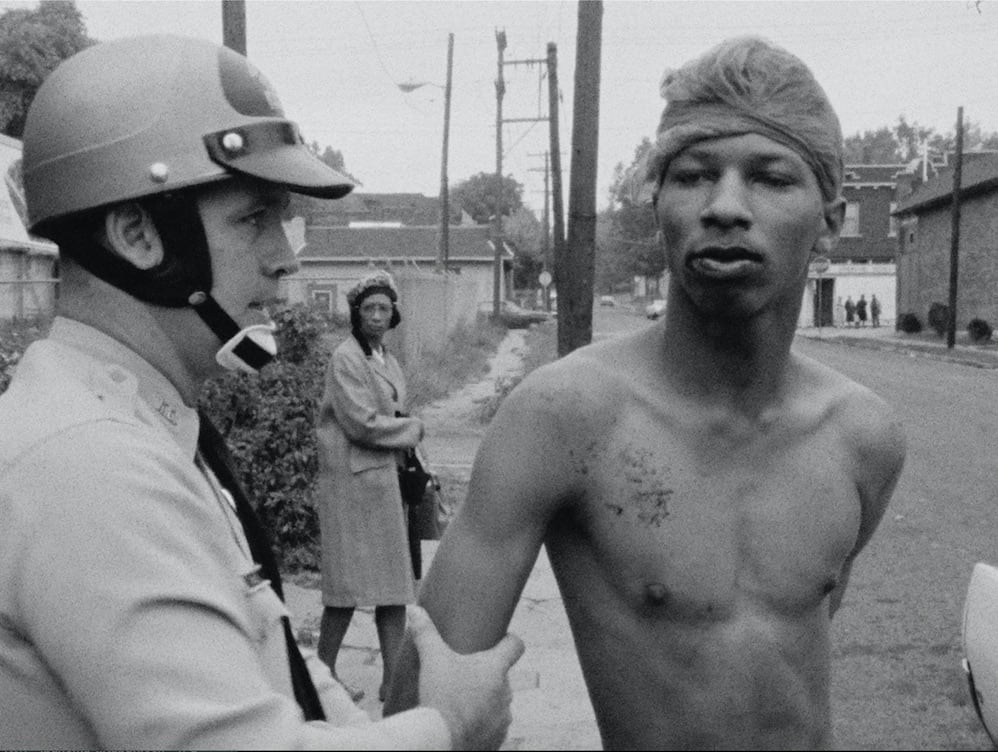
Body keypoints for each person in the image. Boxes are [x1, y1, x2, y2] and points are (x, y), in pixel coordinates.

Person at [0, 34, 522, 750]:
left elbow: (266, 664)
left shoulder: (133, 424)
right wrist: (450, 728)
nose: (285, 258)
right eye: (254, 218)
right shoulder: (88, 464)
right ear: (137, 235)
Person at [386, 36, 906, 750]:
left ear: (831, 222)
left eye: (770, 178)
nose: (725, 206)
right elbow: (421, 708)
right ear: (657, 202)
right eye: (693, 175)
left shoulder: (863, 437)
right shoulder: (564, 419)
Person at [315, 269, 422, 704]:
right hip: (351, 484)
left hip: (383, 482)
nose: (376, 316)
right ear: (356, 314)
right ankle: (320, 677)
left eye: (384, 309)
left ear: (394, 314)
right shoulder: (346, 358)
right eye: (369, 309)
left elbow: (394, 412)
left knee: (393, 589)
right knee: (346, 589)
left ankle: (392, 682)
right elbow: (361, 423)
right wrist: (412, 430)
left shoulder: (386, 359)